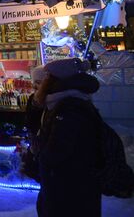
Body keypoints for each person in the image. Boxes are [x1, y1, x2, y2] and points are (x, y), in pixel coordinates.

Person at [31, 58, 102, 217]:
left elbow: (57, 151)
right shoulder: (71, 102)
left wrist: (38, 152)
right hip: (73, 186)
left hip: (68, 188)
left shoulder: (68, 108)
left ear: (55, 81)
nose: (42, 81)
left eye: (47, 76)